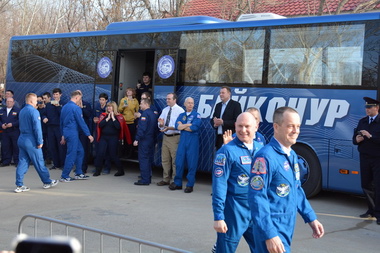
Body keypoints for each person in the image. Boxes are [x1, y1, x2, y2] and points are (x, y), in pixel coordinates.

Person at [248, 107, 324, 253]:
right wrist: (269, 234)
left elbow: (296, 189)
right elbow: (257, 197)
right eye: (290, 126)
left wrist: (311, 218)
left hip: (286, 225)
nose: (296, 130)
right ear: (276, 127)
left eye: (298, 126)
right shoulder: (265, 157)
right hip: (272, 227)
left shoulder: (292, 155)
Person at [212, 112, 263, 252]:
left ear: (256, 127)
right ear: (235, 126)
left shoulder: (262, 150)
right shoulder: (226, 152)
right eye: (240, 126)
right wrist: (218, 216)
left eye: (247, 126)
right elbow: (219, 186)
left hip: (257, 211)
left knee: (263, 248)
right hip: (234, 211)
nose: (243, 130)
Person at [15, 93, 58, 193]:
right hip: (31, 140)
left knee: (22, 162)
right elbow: (37, 128)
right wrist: (40, 141)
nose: (37, 103)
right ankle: (47, 181)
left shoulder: (22, 111)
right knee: (39, 162)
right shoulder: (34, 112)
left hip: (21, 138)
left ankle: (19, 184)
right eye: (35, 101)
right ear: (31, 101)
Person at [353, 97, 380, 225]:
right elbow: (354, 138)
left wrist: (370, 136)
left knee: (378, 186)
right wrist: (356, 140)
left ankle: (378, 213)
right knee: (366, 184)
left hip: (377, 158)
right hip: (364, 157)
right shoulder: (362, 121)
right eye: (366, 107)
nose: (367, 110)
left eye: (370, 107)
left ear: (377, 108)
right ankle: (371, 210)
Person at [60, 90, 94, 182]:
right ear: (76, 98)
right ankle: (65, 175)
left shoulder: (64, 107)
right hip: (72, 133)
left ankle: (78, 172)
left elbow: (61, 122)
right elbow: (81, 123)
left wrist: (63, 135)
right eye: (80, 98)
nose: (80, 100)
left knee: (80, 151)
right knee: (72, 154)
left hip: (67, 132)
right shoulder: (76, 108)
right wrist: (89, 135)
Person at [169, 97, 201, 193]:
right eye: (189, 103)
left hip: (193, 142)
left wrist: (183, 126)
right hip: (183, 141)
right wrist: (188, 124)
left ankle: (190, 185)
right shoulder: (181, 115)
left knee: (192, 163)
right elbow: (177, 126)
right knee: (179, 162)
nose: (190, 104)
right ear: (185, 104)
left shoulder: (197, 115)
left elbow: (194, 128)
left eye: (192, 103)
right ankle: (177, 183)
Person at [94, 101, 131, 177]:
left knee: (113, 155)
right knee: (100, 153)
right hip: (104, 137)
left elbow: (118, 127)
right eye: (108, 106)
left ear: (114, 108)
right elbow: (100, 125)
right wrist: (107, 118)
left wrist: (113, 118)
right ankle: (98, 170)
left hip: (113, 138)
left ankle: (120, 170)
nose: (109, 108)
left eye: (110, 106)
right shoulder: (103, 115)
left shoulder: (119, 117)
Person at [157, 93, 185, 186]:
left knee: (175, 160)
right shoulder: (165, 110)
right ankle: (165, 179)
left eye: (169, 99)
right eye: (166, 99)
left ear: (174, 100)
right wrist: (160, 124)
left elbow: (180, 126)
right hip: (166, 137)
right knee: (165, 159)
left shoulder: (180, 110)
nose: (167, 100)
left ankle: (174, 180)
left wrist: (169, 127)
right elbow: (161, 123)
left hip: (175, 137)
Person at [133, 98, 158, 185]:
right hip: (151, 139)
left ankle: (144, 179)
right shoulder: (153, 114)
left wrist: (137, 139)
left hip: (144, 140)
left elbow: (142, 129)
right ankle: (148, 178)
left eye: (141, 104)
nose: (140, 105)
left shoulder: (145, 114)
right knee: (148, 159)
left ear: (146, 104)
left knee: (143, 159)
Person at [210, 86, 242, 150]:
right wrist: (214, 124)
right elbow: (213, 119)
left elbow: (237, 121)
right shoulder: (218, 105)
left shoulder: (236, 105)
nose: (221, 94)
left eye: (223, 93)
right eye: (220, 93)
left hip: (230, 137)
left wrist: (223, 122)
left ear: (229, 94)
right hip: (219, 137)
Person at [42, 88, 65, 170]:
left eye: (57, 94)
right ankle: (56, 164)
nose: (55, 96)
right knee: (52, 146)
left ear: (60, 95)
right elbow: (43, 113)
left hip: (59, 127)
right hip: (50, 127)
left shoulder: (63, 103)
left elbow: (63, 115)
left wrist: (58, 106)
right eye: (54, 94)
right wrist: (44, 118)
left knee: (61, 146)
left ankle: (62, 164)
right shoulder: (49, 104)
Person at [118, 88, 139, 158]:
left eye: (130, 91)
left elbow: (137, 111)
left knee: (131, 138)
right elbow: (119, 110)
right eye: (127, 91)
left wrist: (136, 117)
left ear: (133, 92)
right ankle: (123, 152)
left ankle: (131, 153)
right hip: (124, 122)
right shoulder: (123, 100)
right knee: (124, 138)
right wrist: (123, 107)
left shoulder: (135, 101)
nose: (128, 92)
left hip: (132, 122)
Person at [93, 93, 111, 174]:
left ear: (106, 100)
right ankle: (97, 166)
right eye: (100, 99)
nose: (101, 101)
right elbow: (93, 116)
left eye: (103, 100)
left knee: (107, 151)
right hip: (97, 130)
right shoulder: (97, 107)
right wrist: (94, 119)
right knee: (97, 150)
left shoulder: (108, 109)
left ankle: (107, 168)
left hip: (105, 132)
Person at [0, 97, 20, 166]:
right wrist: (1, 125)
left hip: (14, 131)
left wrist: (12, 124)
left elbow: (20, 120)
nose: (9, 103)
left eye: (10, 101)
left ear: (13, 102)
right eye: (8, 101)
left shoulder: (17, 110)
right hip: (4, 132)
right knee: (5, 147)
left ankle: (17, 161)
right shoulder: (2, 110)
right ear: (6, 102)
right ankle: (6, 161)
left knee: (16, 147)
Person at [78, 98, 93, 174]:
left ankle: (83, 168)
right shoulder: (73, 105)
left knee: (84, 149)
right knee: (76, 149)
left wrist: (82, 108)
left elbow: (89, 115)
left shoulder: (86, 104)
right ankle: (78, 167)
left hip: (84, 130)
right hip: (76, 130)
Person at [37, 95, 51, 165]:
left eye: (40, 101)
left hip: (45, 129)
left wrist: (44, 107)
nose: (39, 102)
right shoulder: (35, 109)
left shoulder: (46, 108)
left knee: (47, 144)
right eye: (37, 101)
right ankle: (40, 158)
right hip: (38, 130)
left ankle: (48, 158)